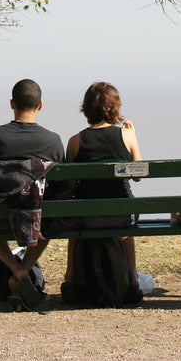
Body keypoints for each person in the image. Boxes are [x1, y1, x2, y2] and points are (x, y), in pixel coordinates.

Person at [0, 78, 65, 309]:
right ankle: (23, 271)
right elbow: (63, 185)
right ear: (40, 105)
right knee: (51, 220)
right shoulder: (52, 141)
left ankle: (15, 270)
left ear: (12, 103)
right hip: (37, 219)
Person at [62, 81, 143, 303]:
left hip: (87, 219)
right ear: (115, 107)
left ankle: (69, 277)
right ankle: (133, 278)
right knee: (126, 231)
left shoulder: (75, 141)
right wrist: (133, 136)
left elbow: (70, 185)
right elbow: (138, 174)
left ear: (86, 109)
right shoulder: (126, 136)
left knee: (74, 222)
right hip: (121, 217)